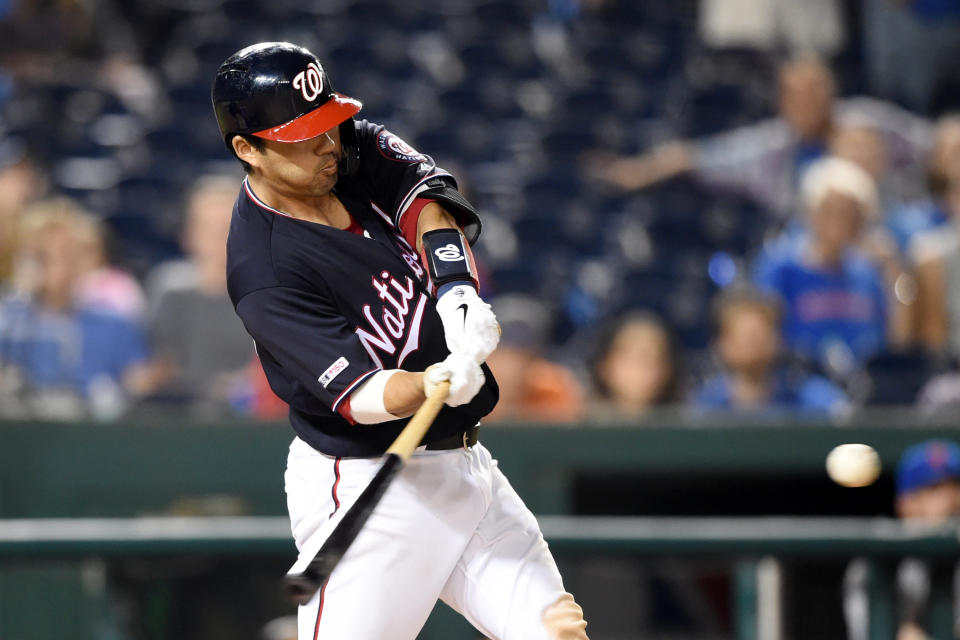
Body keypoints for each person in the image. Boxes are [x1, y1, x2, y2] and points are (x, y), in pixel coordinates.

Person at [211, 42, 588, 640]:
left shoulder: (343, 146)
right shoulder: (263, 270)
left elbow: (427, 194)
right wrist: (431, 380)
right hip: (367, 479)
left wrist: (455, 289)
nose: (327, 145)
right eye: (300, 137)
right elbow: (361, 397)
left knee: (556, 633)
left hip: (464, 467)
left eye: (327, 125)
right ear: (247, 150)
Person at [593, 56, 931, 222]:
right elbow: (699, 155)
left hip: (885, 233)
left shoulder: (868, 121)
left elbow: (938, 141)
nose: (806, 103)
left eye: (814, 92)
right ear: (782, 102)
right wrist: (638, 171)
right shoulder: (773, 144)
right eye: (795, 96)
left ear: (831, 92)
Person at [0, 198, 152, 419]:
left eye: (67, 253)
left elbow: (137, 389)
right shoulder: (8, 323)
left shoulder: (116, 326)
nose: (59, 264)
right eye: (45, 255)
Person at [753, 157, 898, 374]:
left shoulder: (869, 272)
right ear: (811, 212)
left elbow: (895, 337)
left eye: (851, 213)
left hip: (865, 382)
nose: (841, 221)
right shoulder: (780, 267)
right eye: (830, 211)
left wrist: (894, 270)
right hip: (797, 384)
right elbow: (764, 335)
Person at [144, 174, 254, 414]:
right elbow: (160, 364)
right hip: (180, 414)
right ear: (188, 235)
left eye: (226, 226)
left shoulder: (267, 296)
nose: (217, 238)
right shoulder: (169, 289)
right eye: (207, 228)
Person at [844, 440, 960, 640]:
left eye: (956, 488)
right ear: (905, 503)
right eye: (934, 490)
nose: (951, 500)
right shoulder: (878, 564)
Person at [693, 287, 848, 417]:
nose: (755, 342)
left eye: (763, 332)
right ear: (721, 343)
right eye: (745, 335)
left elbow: (842, 414)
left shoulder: (810, 398)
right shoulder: (706, 406)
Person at [483, 294, 584, 423]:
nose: (512, 364)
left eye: (522, 354)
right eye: (502, 351)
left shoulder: (550, 388)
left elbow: (567, 434)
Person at [589, 312, 680, 418]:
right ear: (603, 365)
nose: (638, 367)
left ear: (667, 370)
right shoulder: (576, 422)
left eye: (647, 357)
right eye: (626, 354)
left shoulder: (688, 424)